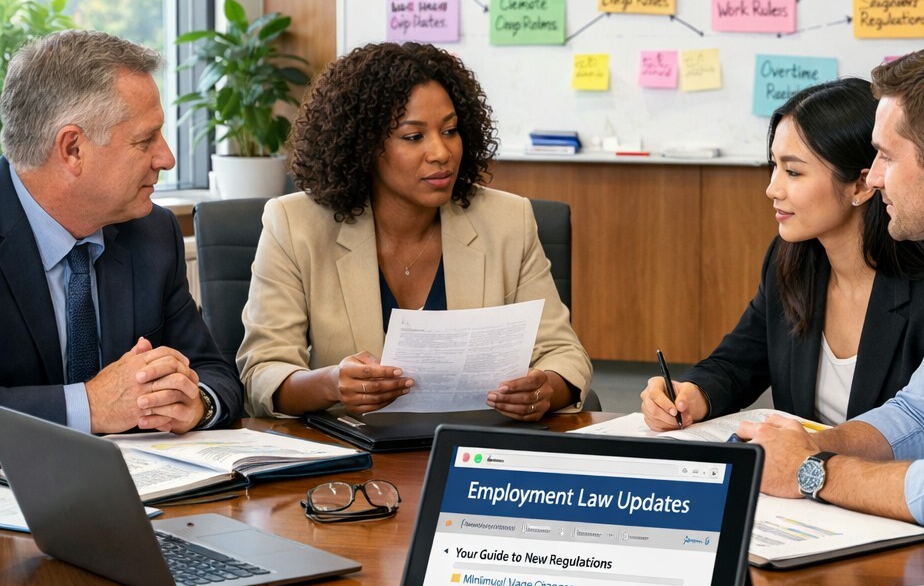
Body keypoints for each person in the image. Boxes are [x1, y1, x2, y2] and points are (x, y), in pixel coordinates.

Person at [737, 42, 924, 540]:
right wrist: (816, 446)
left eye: (887, 157)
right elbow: (922, 417)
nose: (872, 177)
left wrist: (816, 473)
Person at [237, 41, 592, 420]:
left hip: (474, 448)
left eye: (451, 131)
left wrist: (541, 389)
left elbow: (564, 355)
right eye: (413, 136)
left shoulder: (508, 220)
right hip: (353, 460)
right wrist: (329, 383)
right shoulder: (294, 225)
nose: (441, 152)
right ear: (364, 146)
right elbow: (262, 373)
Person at [642, 77, 924, 431]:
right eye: (773, 166)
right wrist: (691, 394)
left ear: (862, 185)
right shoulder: (790, 260)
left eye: (793, 171)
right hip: (794, 483)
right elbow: (736, 365)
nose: (772, 188)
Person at [0, 30, 243, 434]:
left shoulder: (152, 232)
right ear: (73, 149)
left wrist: (195, 402)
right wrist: (89, 406)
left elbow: (214, 372)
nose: (166, 158)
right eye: (145, 139)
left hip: (147, 486)